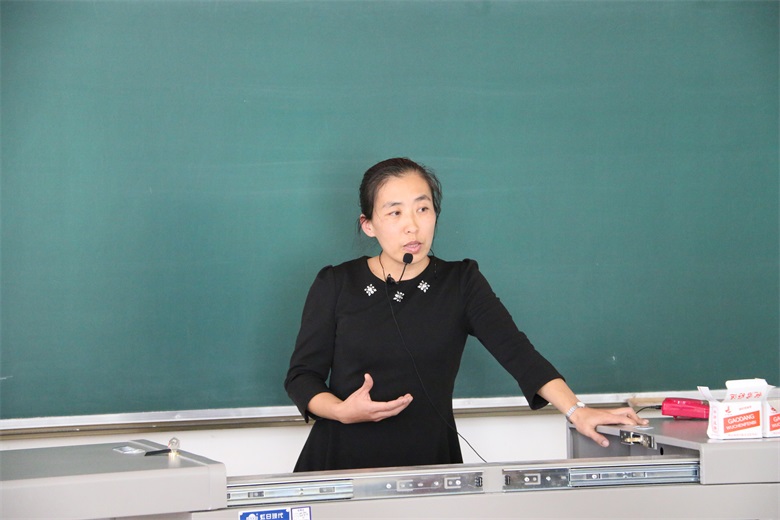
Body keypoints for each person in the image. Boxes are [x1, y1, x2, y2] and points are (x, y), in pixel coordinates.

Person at [284, 157, 647, 472]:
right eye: (395, 213)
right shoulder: (337, 283)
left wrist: (577, 410)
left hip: (430, 464)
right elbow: (302, 377)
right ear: (368, 225)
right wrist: (341, 411)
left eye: (423, 209)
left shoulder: (460, 282)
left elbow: (518, 352)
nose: (412, 225)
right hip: (340, 463)